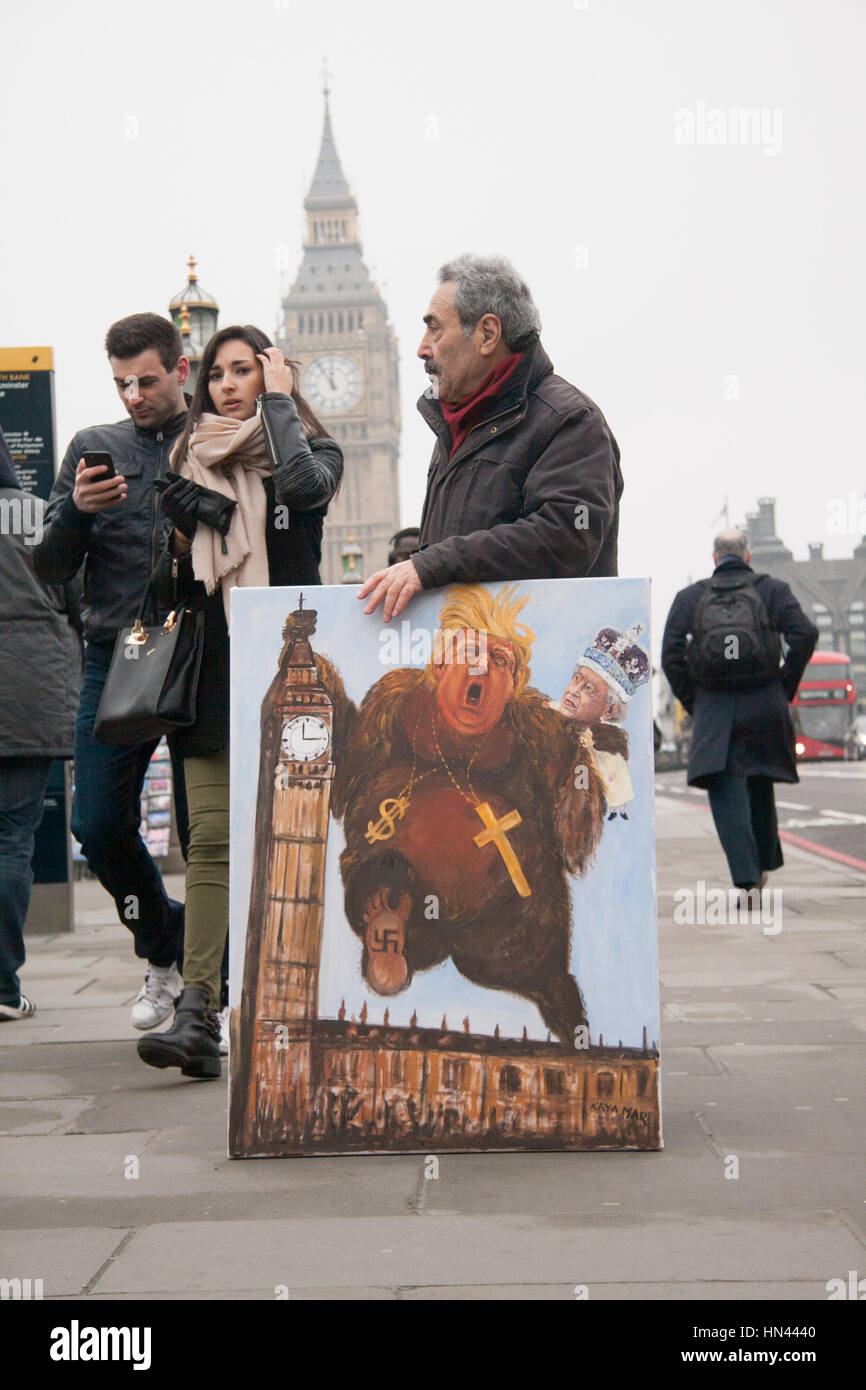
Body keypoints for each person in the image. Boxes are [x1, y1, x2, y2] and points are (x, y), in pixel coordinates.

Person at [136, 325, 343, 1079]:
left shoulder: (314, 452)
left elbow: (300, 492)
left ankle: (305, 1007)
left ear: (272, 375)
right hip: (213, 677)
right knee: (215, 842)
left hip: (290, 672)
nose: (226, 384)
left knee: (298, 842)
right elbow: (168, 595)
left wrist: (282, 402)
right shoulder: (183, 465)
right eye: (216, 374)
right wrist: (187, 532)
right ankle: (199, 1012)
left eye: (244, 370)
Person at [33, 314, 194, 1032]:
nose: (134, 395)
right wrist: (73, 513)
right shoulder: (93, 448)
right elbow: (48, 568)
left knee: (207, 832)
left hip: (199, 655)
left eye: (148, 381)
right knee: (97, 824)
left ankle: (209, 987)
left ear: (181, 370)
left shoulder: (214, 438)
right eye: (123, 384)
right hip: (117, 655)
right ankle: (168, 944)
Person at [358, 253, 622, 620]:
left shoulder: (570, 420)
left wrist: (432, 565)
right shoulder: (455, 425)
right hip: (456, 655)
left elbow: (566, 536)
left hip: (537, 662)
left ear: (487, 334)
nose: (422, 348)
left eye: (435, 328)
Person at [661, 529, 818, 892]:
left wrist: (694, 700)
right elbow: (805, 634)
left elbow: (670, 656)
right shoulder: (772, 590)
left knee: (725, 789)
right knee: (760, 782)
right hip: (765, 699)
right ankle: (763, 864)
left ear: (715, 559)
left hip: (715, 705)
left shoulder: (690, 597)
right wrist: (783, 686)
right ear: (747, 557)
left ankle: (747, 878)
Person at [0, 428, 83, 1018]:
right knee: (11, 841)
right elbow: (81, 599)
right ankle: (2, 988)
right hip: (30, 695)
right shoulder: (40, 516)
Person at [550, 622, 650, 820]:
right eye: (577, 679)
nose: (573, 691)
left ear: (609, 710)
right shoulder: (537, 717)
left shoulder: (607, 753)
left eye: (589, 689)